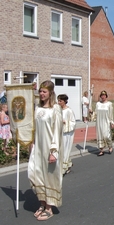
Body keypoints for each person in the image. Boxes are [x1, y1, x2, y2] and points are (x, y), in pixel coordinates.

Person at [28, 80, 63, 221]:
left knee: (49, 177)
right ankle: (42, 203)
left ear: (50, 93)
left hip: (49, 149)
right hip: (37, 148)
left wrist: (54, 152)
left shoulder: (56, 109)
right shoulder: (38, 108)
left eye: (44, 91)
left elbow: (57, 131)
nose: (41, 94)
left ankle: (49, 208)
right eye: (40, 91)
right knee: (34, 174)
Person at [57, 94, 76, 175]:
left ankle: (63, 168)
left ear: (64, 101)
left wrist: (65, 122)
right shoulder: (57, 110)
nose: (58, 102)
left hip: (66, 133)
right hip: (59, 132)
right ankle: (68, 164)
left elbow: (73, 122)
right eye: (58, 100)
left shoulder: (69, 111)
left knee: (64, 149)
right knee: (59, 149)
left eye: (60, 101)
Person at [95, 90, 114, 156]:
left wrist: (112, 122)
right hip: (99, 122)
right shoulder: (98, 104)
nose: (103, 97)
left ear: (106, 96)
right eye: (102, 95)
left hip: (106, 122)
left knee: (106, 135)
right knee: (100, 135)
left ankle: (110, 146)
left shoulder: (109, 104)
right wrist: (91, 113)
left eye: (104, 95)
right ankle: (101, 150)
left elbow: (111, 114)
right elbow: (95, 114)